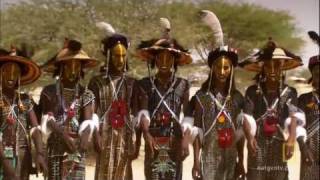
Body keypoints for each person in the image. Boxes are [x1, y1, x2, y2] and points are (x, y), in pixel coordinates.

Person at [185, 10, 250, 180]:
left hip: (230, 160)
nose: (222, 71)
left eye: (226, 67)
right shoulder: (201, 96)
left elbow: (240, 134)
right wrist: (196, 163)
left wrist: (241, 161)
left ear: (231, 70)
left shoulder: (237, 98)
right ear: (212, 68)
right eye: (218, 67)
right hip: (209, 160)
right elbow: (197, 131)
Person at [239, 39, 305, 180]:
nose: (273, 70)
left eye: (277, 66)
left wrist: (292, 139)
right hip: (257, 145)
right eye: (269, 66)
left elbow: (293, 116)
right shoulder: (252, 91)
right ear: (263, 67)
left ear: (283, 67)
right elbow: (246, 116)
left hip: (280, 143)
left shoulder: (291, 92)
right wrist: (250, 137)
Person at [135, 18, 192, 180]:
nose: (164, 62)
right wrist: (147, 135)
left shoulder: (183, 85)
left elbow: (188, 115)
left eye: (169, 58)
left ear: (175, 60)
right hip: (153, 139)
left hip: (175, 140)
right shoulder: (145, 84)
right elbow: (144, 112)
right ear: (154, 60)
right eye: (161, 57)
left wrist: (186, 140)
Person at [38, 39, 98, 179]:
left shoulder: (86, 93)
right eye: (68, 66)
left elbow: (88, 120)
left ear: (81, 69)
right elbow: (48, 118)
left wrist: (86, 134)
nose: (73, 70)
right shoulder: (49, 92)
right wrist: (62, 134)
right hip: (56, 149)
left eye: (77, 66)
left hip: (76, 150)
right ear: (61, 67)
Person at [88, 22, 137, 180]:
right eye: (117, 56)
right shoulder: (96, 82)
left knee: (123, 173)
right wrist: (96, 136)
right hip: (104, 135)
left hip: (125, 136)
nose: (121, 60)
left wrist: (136, 141)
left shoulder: (132, 83)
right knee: (104, 172)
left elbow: (135, 113)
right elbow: (93, 112)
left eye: (123, 56)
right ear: (109, 56)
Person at [0, 46, 47, 179]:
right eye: (7, 71)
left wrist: (39, 153)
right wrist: (5, 163)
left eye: (15, 72)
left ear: (19, 76)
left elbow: (35, 128)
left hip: (23, 158)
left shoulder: (25, 100)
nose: (11, 76)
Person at [297, 31, 319, 180]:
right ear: (312, 77)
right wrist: (303, 149)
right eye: (318, 74)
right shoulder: (304, 99)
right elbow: (298, 127)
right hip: (309, 155)